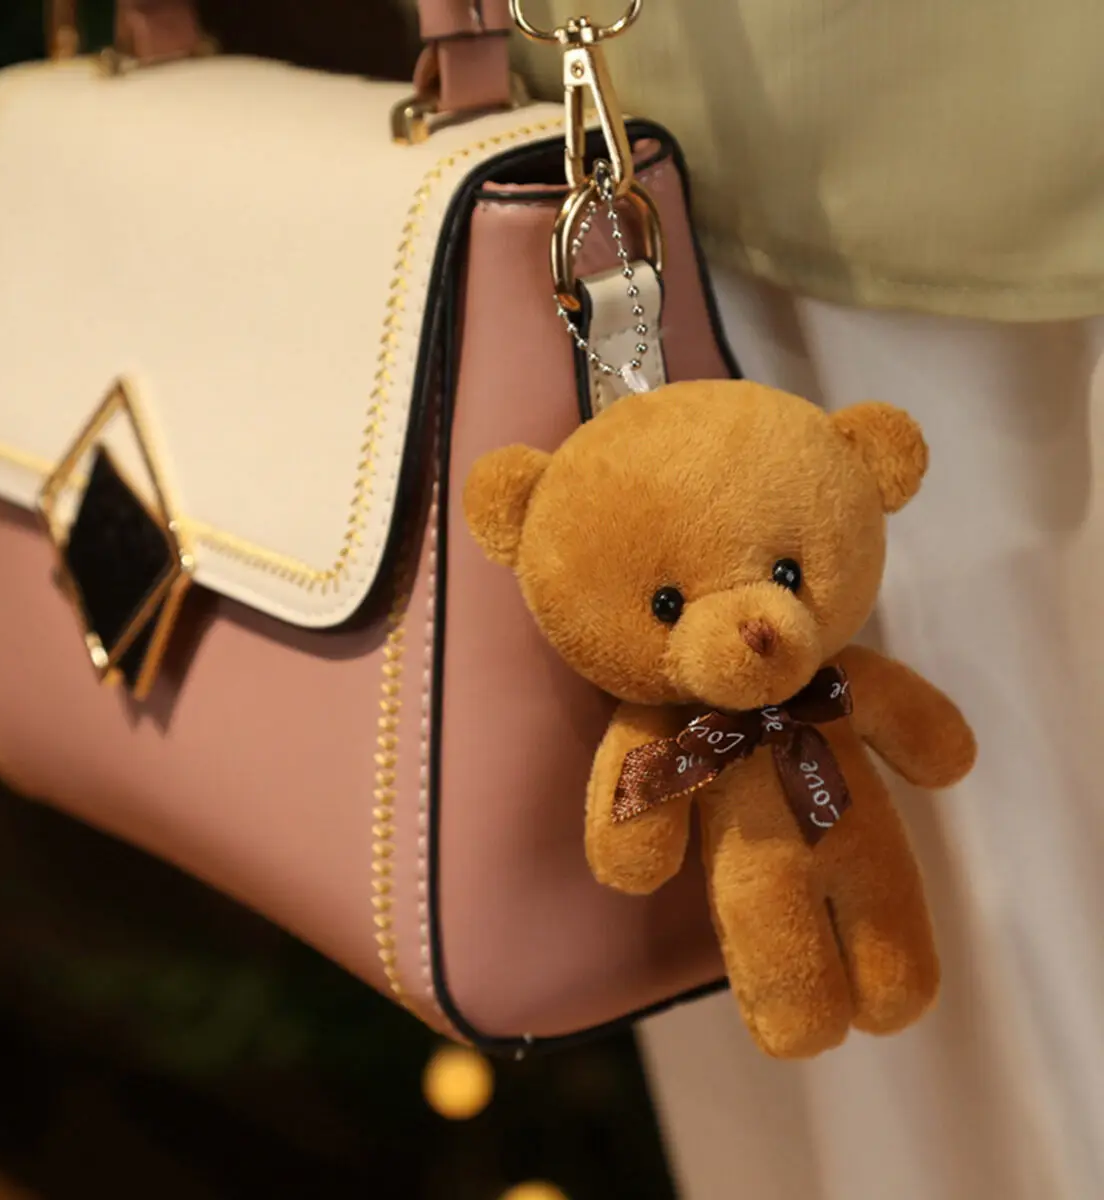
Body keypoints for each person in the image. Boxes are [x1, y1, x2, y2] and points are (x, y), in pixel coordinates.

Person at [501, 3, 1104, 1198]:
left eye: (783, 578)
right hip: (749, 162)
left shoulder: (833, 676)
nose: (756, 624)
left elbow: (935, 737)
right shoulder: (669, 731)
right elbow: (631, 845)